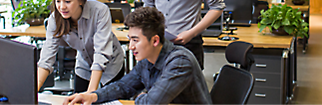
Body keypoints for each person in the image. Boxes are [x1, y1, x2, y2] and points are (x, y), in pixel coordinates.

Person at [63, 7, 212, 105]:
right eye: (130, 39)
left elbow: (150, 103)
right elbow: (124, 86)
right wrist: (93, 96)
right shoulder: (147, 59)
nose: (130, 47)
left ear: (155, 40)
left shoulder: (179, 62)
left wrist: (139, 96)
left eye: (135, 40)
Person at [37, 0, 125, 93]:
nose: (62, 7)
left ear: (80, 0)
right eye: (58, 1)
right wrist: (34, 91)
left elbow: (101, 53)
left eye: (67, 1)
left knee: (108, 100)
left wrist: (90, 93)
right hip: (84, 65)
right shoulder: (55, 19)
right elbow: (47, 57)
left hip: (111, 65)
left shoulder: (100, 11)